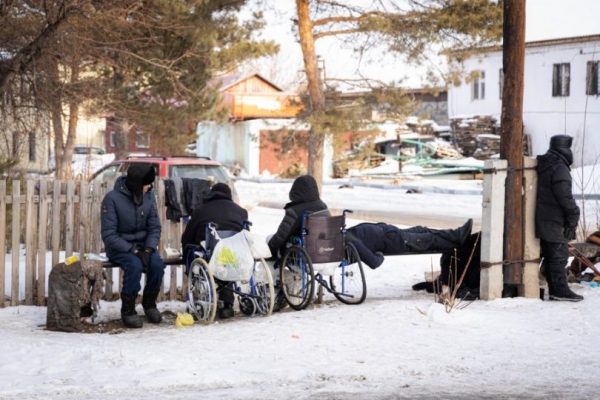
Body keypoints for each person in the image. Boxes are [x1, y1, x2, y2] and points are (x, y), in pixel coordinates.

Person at [101, 164, 166, 328]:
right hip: (120, 247)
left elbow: (154, 227)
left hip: (143, 246)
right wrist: (132, 250)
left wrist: (148, 249)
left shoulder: (149, 197)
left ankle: (150, 304)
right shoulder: (112, 198)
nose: (150, 186)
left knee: (157, 264)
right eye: (147, 183)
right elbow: (109, 235)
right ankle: (128, 309)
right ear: (137, 184)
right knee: (134, 265)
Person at [181, 183, 248, 318]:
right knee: (225, 258)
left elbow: (188, 237)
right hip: (233, 256)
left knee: (210, 255)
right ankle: (227, 303)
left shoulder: (201, 211)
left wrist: (185, 256)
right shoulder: (241, 212)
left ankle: (201, 299)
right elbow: (246, 236)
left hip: (210, 255)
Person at [268, 175, 330, 310]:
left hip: (302, 254)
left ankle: (276, 287)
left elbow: (280, 236)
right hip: (324, 251)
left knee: (271, 244)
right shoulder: (322, 206)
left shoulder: (295, 210)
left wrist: (269, 248)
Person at [535, 134, 583, 302]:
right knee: (558, 256)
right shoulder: (559, 167)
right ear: (565, 148)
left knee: (552, 255)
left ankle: (556, 289)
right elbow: (564, 196)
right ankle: (559, 291)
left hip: (543, 217)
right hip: (554, 218)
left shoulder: (544, 164)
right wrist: (573, 215)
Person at [345, 219, 473, 270]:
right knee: (429, 239)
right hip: (395, 241)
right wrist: (378, 252)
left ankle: (455, 234)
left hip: (392, 233)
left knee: (422, 229)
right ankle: (459, 240)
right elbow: (374, 262)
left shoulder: (342, 237)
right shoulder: (351, 243)